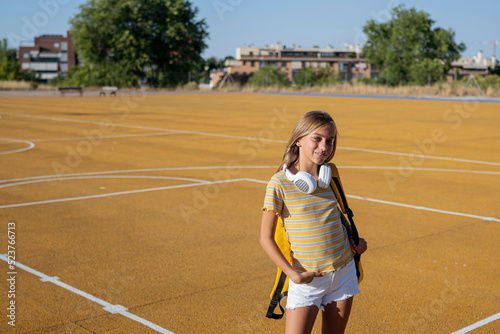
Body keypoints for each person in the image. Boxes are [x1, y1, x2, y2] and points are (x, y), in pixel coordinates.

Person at [260, 110, 367, 334]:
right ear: (298, 140)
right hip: (306, 279)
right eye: (316, 138)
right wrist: (293, 274)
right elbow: (265, 238)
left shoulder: (330, 174)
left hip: (343, 272)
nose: (324, 146)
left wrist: (352, 236)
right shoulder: (279, 183)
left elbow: (335, 213)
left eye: (330, 140)